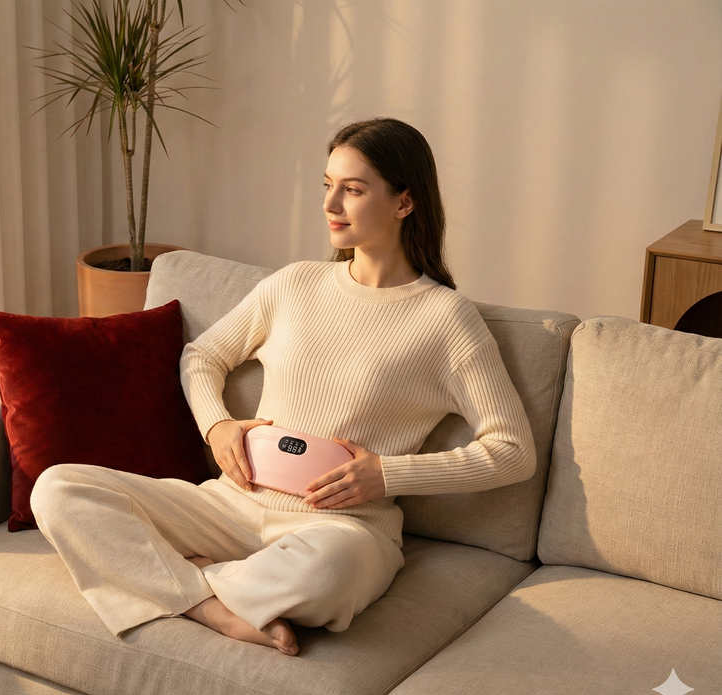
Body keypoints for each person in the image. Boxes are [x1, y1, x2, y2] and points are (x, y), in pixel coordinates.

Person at [31, 118, 536, 657]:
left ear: (404, 202)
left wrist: (388, 474)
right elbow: (203, 355)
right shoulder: (295, 283)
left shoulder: (447, 320)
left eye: (353, 189)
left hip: (343, 530)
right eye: (328, 184)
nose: (330, 203)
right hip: (230, 505)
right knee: (59, 489)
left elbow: (513, 450)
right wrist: (217, 426)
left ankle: (184, 582)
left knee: (328, 574)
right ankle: (211, 605)